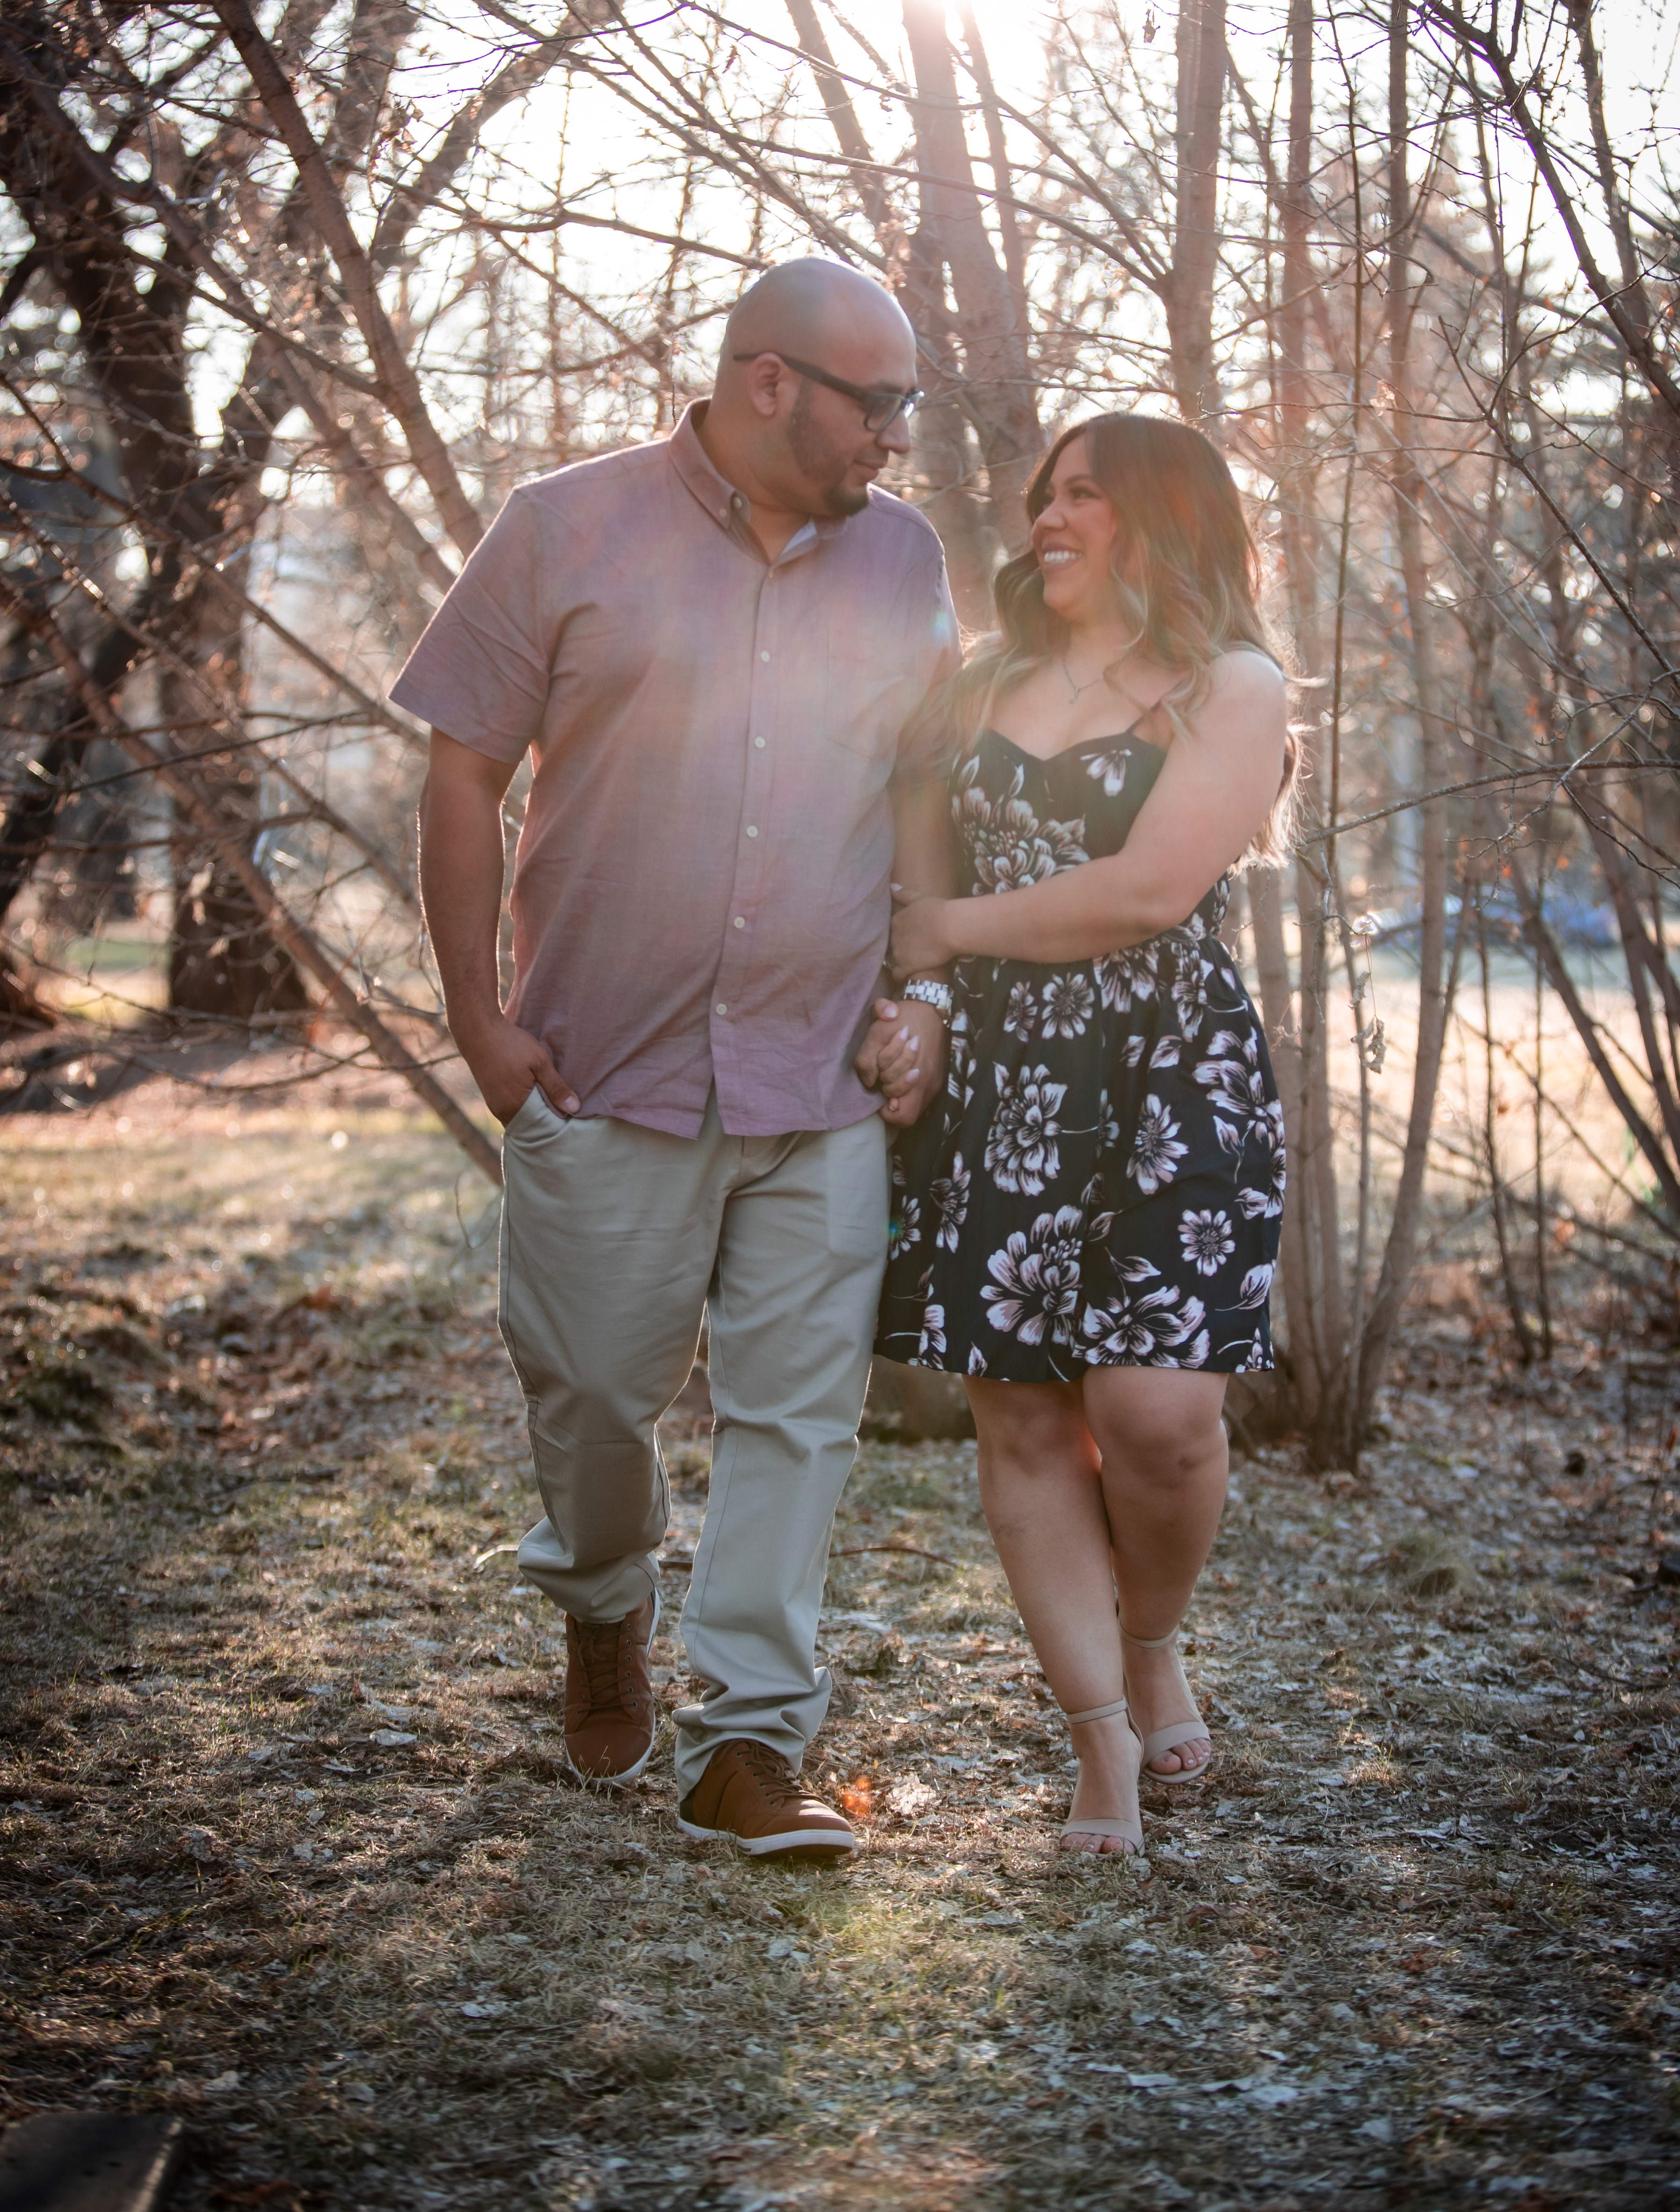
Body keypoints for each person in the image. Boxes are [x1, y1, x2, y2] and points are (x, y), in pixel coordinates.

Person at [393, 258, 956, 1861]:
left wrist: (924, 993)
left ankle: (750, 1742)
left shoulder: (907, 561)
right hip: (601, 1072)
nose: (897, 442)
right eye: (881, 404)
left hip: (821, 1083)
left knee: (799, 1418)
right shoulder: (563, 524)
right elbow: (461, 779)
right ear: (767, 381)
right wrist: (481, 1029)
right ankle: (601, 1601)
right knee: (589, 1404)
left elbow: (923, 793)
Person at [875, 413, 1293, 1858]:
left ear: (1166, 519)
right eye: (1045, 493)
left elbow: (1146, 893)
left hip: (1174, 1077)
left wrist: (945, 929)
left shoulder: (1233, 685)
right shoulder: (977, 679)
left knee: (1163, 1422)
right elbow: (916, 847)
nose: (1049, 519)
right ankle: (1099, 1739)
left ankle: (1155, 1634)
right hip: (1007, 1081)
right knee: (1031, 1419)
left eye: (1086, 498)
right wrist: (924, 989)